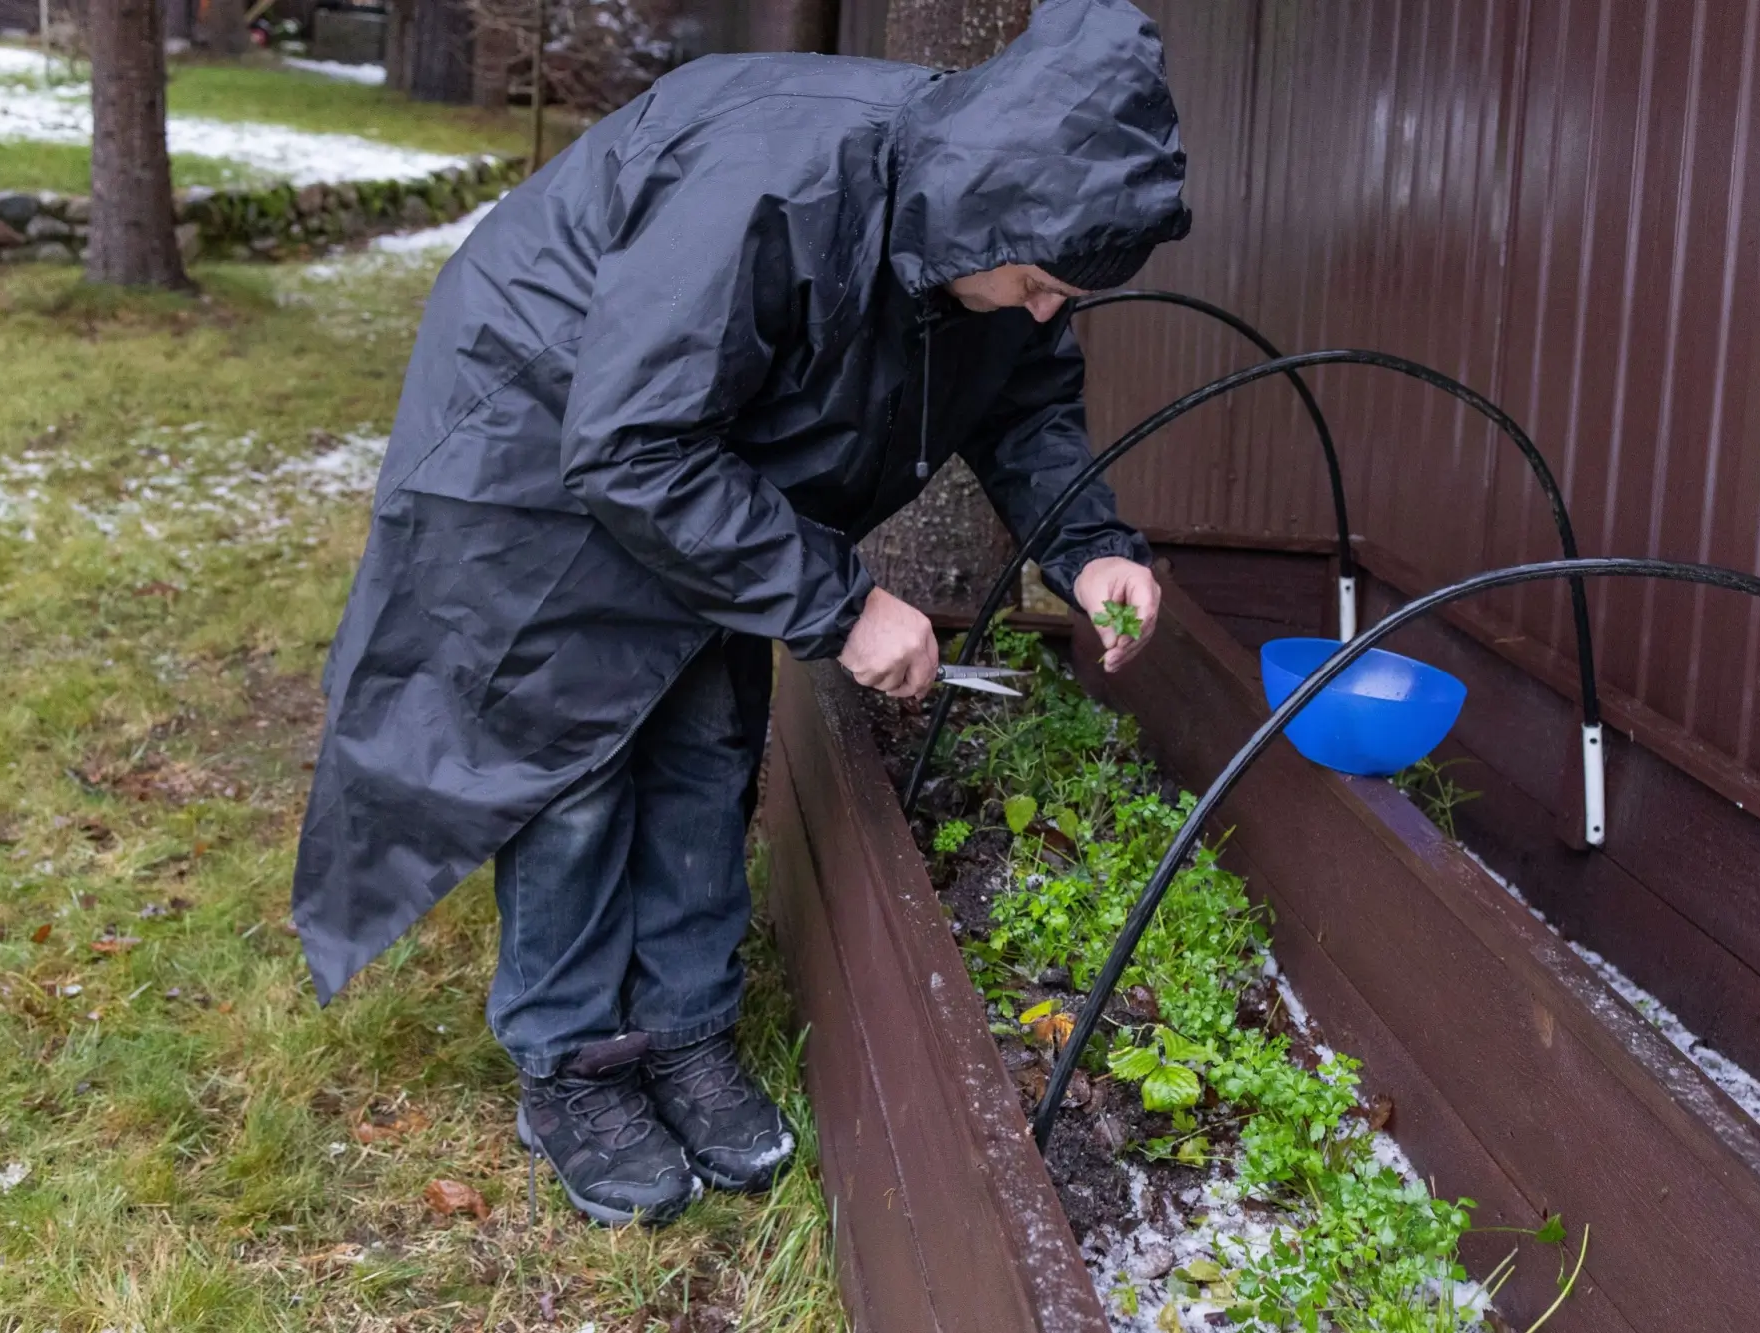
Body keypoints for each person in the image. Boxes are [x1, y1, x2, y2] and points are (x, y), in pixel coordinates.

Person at [291, 0, 1189, 1228]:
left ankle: (684, 1030)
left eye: (1063, 292)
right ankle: (571, 1062)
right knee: (578, 758)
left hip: (704, 453)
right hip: (549, 436)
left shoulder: (990, 235)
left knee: (708, 734)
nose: (1044, 308)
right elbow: (630, 442)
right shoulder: (775, 183)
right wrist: (838, 601)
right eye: (1036, 282)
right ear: (983, 213)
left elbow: (1025, 398)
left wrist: (1088, 547)